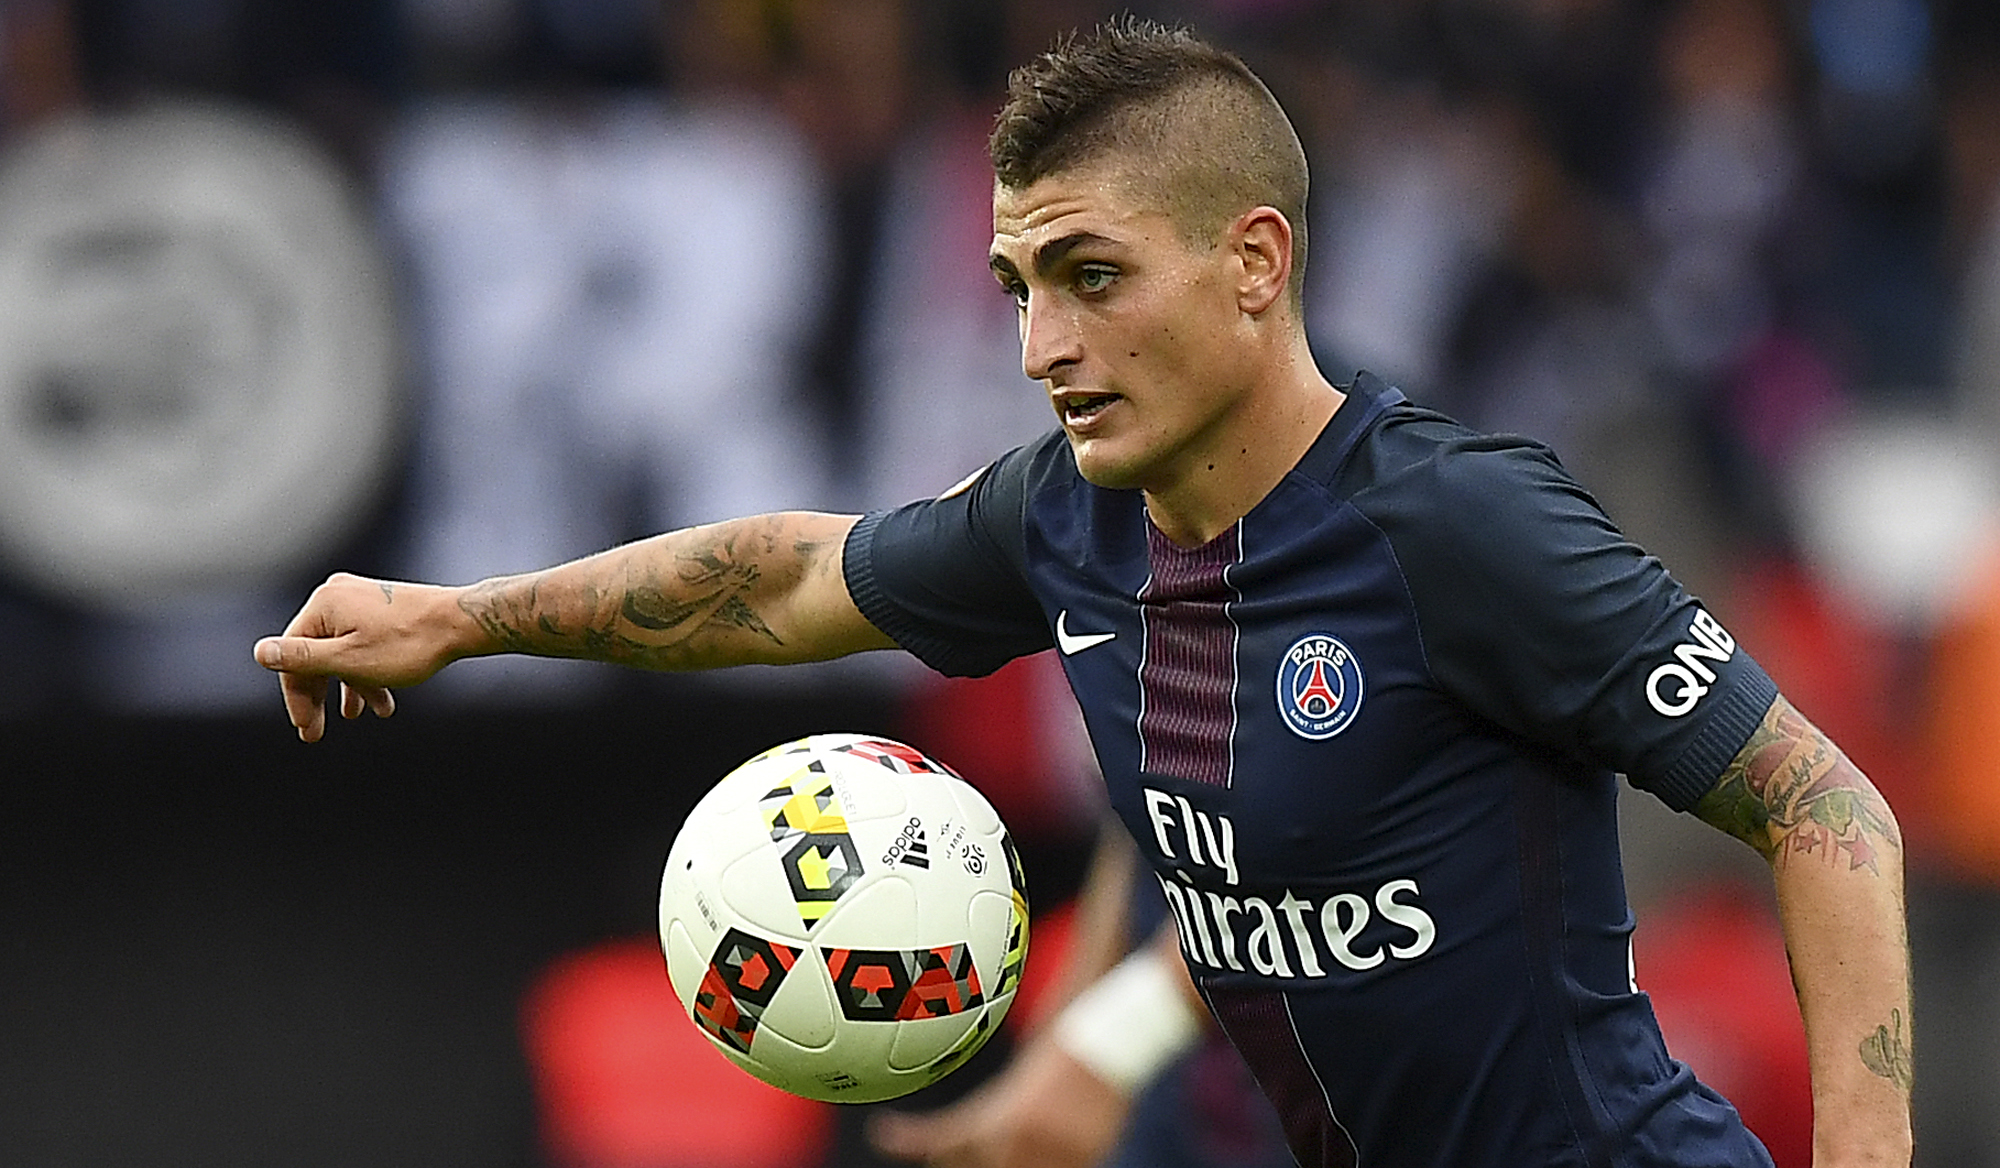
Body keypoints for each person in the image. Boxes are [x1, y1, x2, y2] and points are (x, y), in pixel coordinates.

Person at [254, 20, 1913, 1168]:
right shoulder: (1071, 523)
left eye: (1093, 276)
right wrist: (465, 617)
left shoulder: (1461, 526)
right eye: (1019, 283)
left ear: (1255, 265)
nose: (1045, 343)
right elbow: (785, 580)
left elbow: (1829, 810)